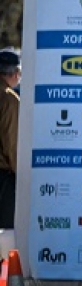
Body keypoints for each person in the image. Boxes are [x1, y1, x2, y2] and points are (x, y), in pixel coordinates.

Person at [0, 49, 21, 230]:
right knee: (6, 229)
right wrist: (19, 173)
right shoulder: (9, 99)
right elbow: (11, 141)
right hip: (3, 176)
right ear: (15, 73)